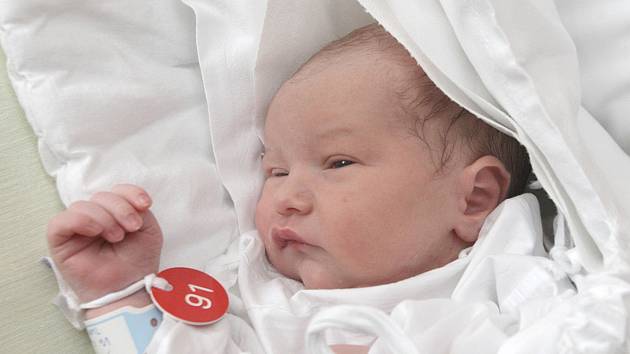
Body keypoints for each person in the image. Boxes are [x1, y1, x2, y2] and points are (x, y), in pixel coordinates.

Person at [46, 24, 531, 352]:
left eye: (338, 163)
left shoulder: (513, 273)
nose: (285, 198)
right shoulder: (259, 304)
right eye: (275, 171)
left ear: (474, 198)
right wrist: (119, 297)